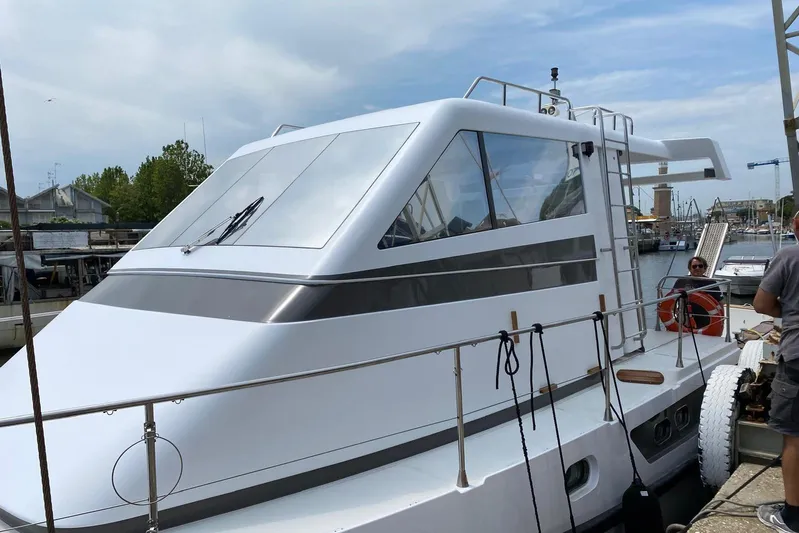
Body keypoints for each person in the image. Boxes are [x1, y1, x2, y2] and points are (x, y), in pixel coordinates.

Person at [755, 211, 799, 532]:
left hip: (797, 360)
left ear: (795, 227)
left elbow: (760, 304)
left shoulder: (789, 256)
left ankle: (793, 518)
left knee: (794, 438)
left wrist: (789, 309)